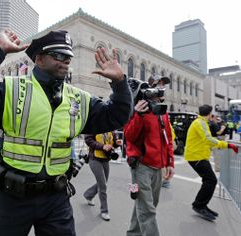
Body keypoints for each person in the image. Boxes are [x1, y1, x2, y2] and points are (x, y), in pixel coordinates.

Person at [0, 29, 132, 235]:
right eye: (59, 55)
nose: (66, 61)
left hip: (57, 199)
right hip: (11, 199)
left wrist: (119, 83)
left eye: (68, 56)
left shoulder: (80, 99)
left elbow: (117, 116)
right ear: (40, 59)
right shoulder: (10, 90)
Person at [124, 75, 174, 236]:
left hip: (158, 167)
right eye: (158, 86)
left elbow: (168, 138)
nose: (160, 91)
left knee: (147, 205)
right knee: (147, 209)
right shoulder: (137, 109)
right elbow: (129, 136)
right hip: (140, 166)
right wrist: (138, 114)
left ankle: (133, 233)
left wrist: (170, 163)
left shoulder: (162, 111)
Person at [184, 104, 238, 221]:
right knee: (211, 180)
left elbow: (206, 139)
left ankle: (201, 204)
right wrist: (227, 145)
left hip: (199, 156)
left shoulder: (201, 122)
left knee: (209, 180)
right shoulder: (200, 123)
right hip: (196, 157)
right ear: (209, 114)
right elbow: (208, 139)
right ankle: (199, 205)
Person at [83, 131, 122, 221]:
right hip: (94, 159)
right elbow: (88, 140)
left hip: (105, 159)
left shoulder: (111, 128)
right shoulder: (94, 125)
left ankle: (88, 195)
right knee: (103, 185)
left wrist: (116, 143)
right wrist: (102, 146)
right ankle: (104, 211)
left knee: (103, 183)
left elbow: (113, 142)